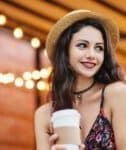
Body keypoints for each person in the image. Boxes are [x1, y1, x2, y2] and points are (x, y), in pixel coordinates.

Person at [34, 9, 126, 150]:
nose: (92, 55)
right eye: (82, 45)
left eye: (99, 48)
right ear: (65, 51)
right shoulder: (44, 115)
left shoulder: (116, 94)